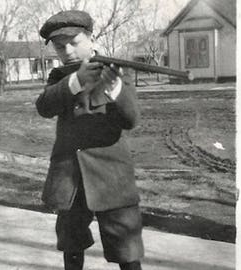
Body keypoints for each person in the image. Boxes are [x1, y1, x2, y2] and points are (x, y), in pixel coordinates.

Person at [36, 10, 144, 270]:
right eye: (61, 47)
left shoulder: (116, 71)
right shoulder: (60, 78)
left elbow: (131, 120)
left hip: (112, 177)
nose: (69, 51)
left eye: (74, 43)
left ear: (91, 39)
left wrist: (115, 89)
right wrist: (76, 81)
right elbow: (44, 107)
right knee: (71, 244)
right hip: (70, 177)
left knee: (126, 249)